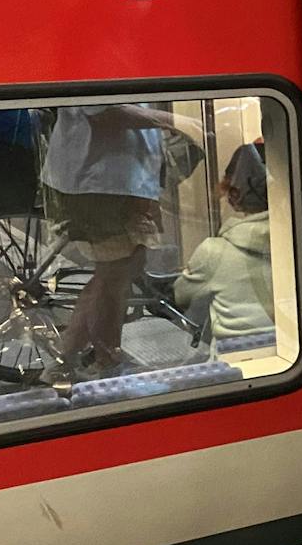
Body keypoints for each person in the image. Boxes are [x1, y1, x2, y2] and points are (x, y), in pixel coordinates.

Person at [40, 103, 179, 377]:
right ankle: (70, 362)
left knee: (122, 271)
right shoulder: (92, 62)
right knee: (113, 275)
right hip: (101, 185)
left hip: (119, 183)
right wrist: (174, 120)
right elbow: (103, 113)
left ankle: (103, 356)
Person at [175, 143, 275, 343]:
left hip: (233, 358)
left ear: (235, 193)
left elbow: (181, 296)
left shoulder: (214, 251)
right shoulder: (300, 241)